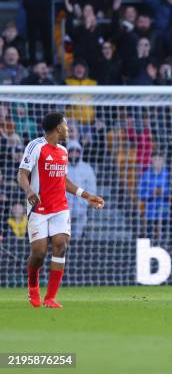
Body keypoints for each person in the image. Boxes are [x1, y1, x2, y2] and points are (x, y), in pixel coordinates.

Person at [17, 112, 104, 308]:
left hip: (60, 208)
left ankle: (50, 298)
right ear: (57, 128)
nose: (68, 128)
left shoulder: (63, 151)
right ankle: (33, 287)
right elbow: (22, 174)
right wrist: (29, 190)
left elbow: (63, 180)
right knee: (39, 253)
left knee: (61, 245)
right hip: (38, 208)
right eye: (65, 124)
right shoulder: (36, 146)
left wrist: (86, 195)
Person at [66, 141, 97, 240]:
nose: (74, 154)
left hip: (81, 210)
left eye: (77, 152)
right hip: (64, 210)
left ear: (80, 153)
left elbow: (92, 188)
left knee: (77, 237)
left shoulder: (87, 169)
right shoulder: (61, 167)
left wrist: (83, 203)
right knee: (65, 236)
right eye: (71, 152)